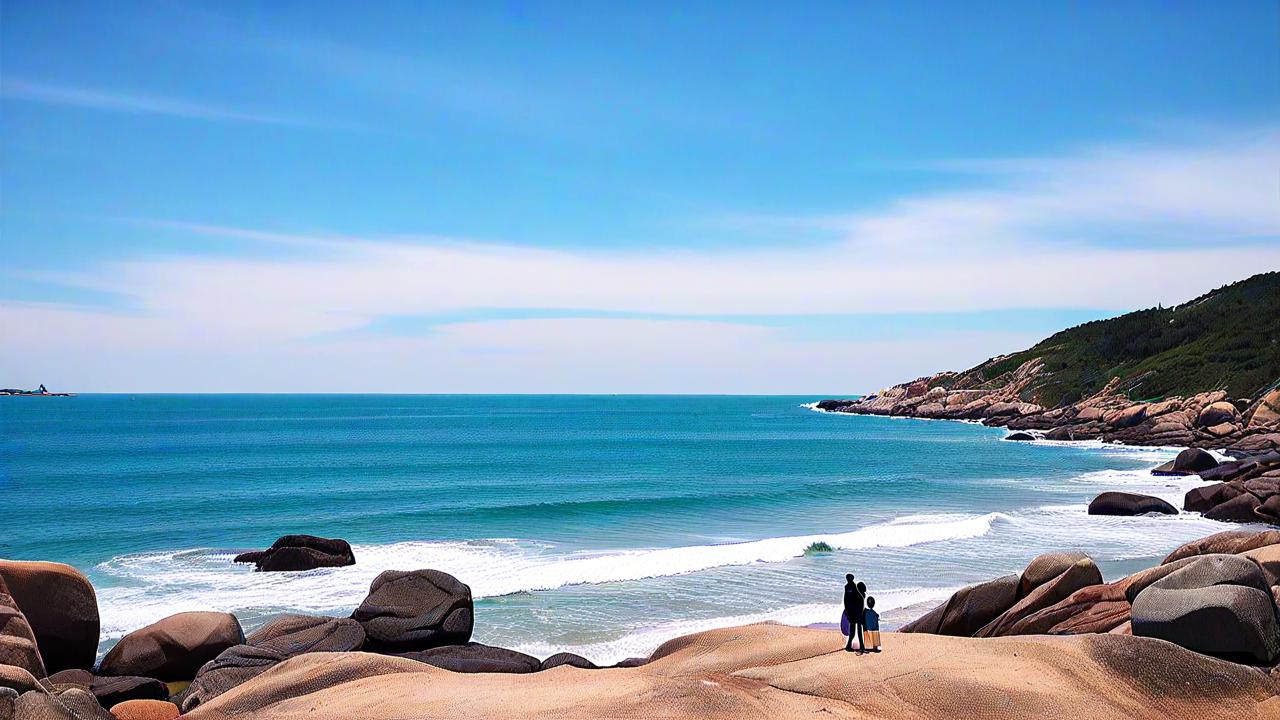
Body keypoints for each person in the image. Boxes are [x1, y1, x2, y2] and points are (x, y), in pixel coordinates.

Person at [842, 574, 866, 652]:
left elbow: (846, 600)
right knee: (856, 630)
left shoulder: (850, 587)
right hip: (855, 612)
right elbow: (848, 600)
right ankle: (858, 646)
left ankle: (852, 645)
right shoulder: (851, 587)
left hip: (853, 611)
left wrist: (847, 610)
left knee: (854, 630)